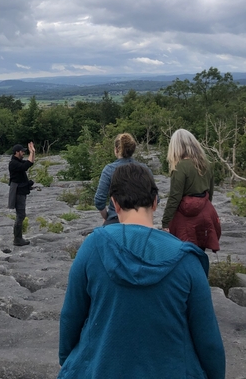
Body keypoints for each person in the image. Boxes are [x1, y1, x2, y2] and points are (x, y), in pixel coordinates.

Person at [58, 162, 225, 379]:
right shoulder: (187, 260)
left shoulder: (93, 247)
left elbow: (71, 316)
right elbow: (208, 340)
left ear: (114, 204)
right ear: (155, 202)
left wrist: (70, 363)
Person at [162, 128, 221, 251]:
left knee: (184, 253)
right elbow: (210, 193)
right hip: (205, 213)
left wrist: (165, 222)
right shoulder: (206, 164)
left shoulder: (179, 167)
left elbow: (175, 197)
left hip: (185, 218)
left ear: (176, 147)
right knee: (201, 252)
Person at [94, 132, 139, 225]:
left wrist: (106, 217)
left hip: (115, 218)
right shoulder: (144, 169)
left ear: (116, 150)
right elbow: (156, 199)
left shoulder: (109, 169)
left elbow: (99, 200)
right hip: (139, 219)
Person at [8, 142, 35, 246]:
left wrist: (33, 152)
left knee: (21, 215)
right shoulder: (13, 163)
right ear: (17, 152)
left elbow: (30, 163)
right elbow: (26, 166)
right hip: (18, 191)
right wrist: (31, 152)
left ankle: (18, 238)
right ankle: (17, 239)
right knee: (20, 215)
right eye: (22, 151)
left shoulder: (17, 161)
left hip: (21, 190)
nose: (23, 153)